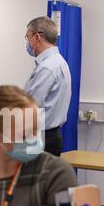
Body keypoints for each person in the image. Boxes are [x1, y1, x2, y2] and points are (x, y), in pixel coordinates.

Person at [24, 16, 72, 157]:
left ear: (37, 37)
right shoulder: (60, 63)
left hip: (40, 138)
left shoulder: (47, 67)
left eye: (27, 37)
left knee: (34, 179)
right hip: (51, 136)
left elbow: (30, 107)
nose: (27, 42)